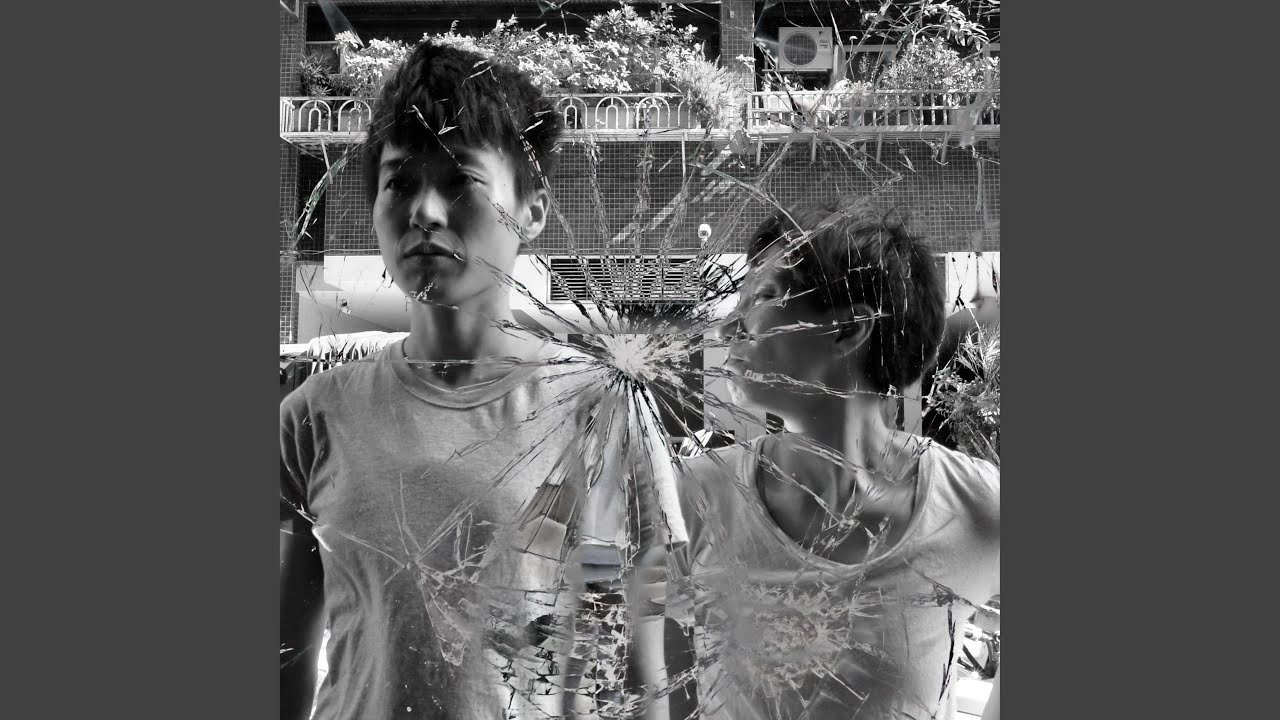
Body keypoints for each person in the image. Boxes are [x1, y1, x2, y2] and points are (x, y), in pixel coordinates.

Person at [280, 40, 684, 720]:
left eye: (460, 179)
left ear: (532, 209)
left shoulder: (604, 410)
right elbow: (287, 651)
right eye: (399, 183)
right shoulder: (314, 417)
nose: (425, 211)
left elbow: (646, 669)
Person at [673, 197, 1000, 720]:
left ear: (848, 329)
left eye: (764, 296)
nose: (727, 328)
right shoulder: (695, 493)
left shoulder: (973, 505)